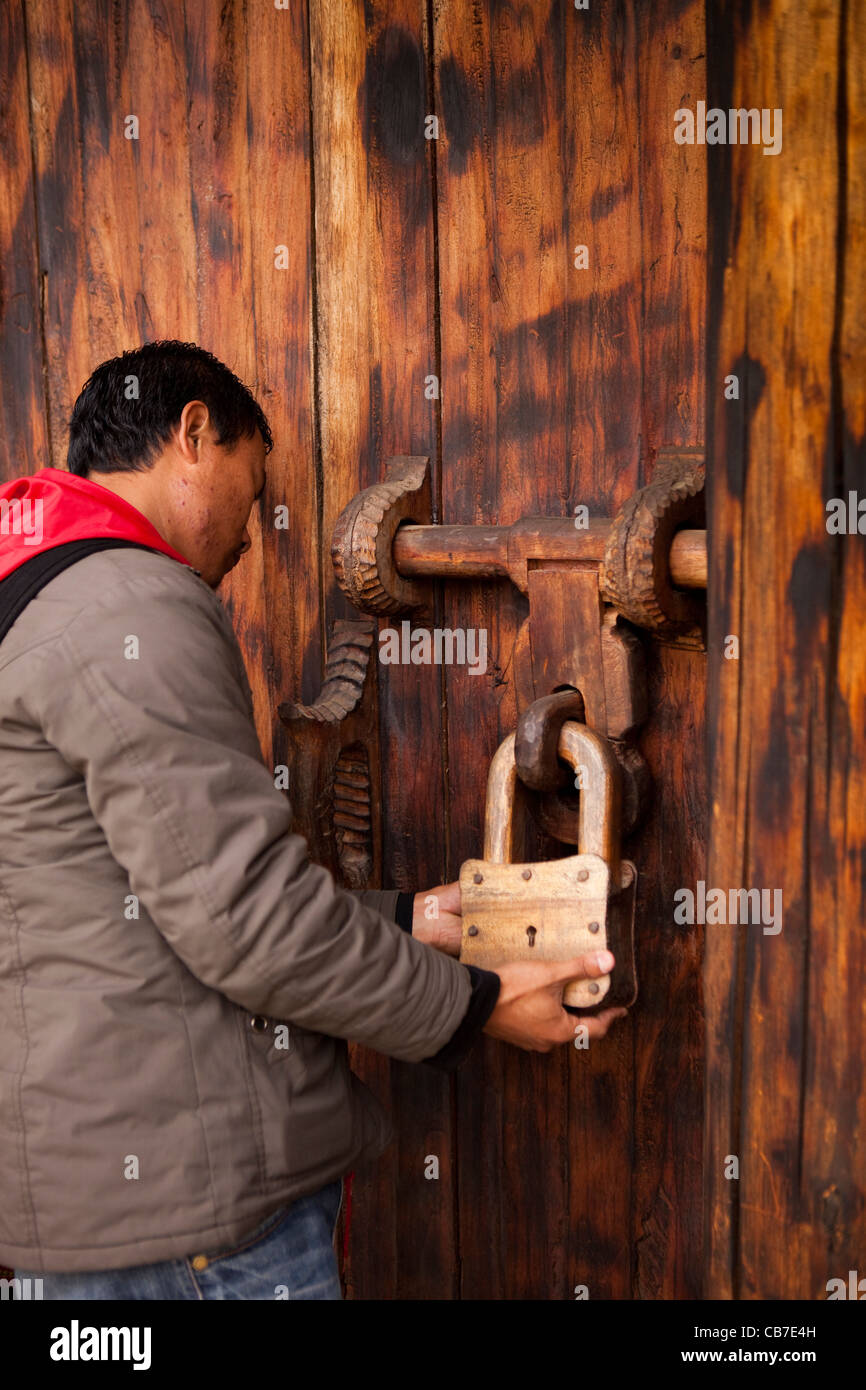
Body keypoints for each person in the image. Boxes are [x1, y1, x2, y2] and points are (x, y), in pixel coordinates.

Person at [0, 341, 626, 1300]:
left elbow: (115, 893)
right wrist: (479, 1004)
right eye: (251, 499)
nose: (251, 541)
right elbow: (243, 921)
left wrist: (399, 919)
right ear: (193, 434)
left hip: (87, 1206)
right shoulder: (131, 601)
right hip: (194, 1227)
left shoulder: (31, 591)